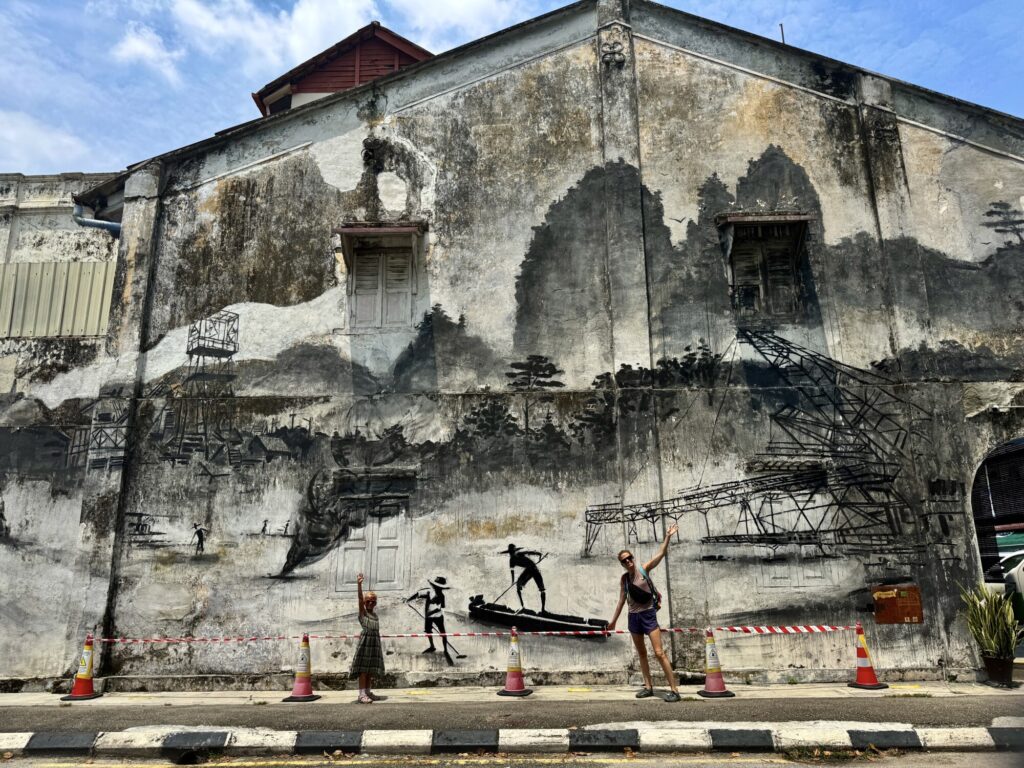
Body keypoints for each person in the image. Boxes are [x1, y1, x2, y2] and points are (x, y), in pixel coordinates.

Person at [608, 523, 681, 702]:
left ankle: (674, 690)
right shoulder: (624, 579)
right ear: (622, 564)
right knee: (641, 654)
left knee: (659, 653)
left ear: (633, 557)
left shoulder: (643, 569)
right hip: (633, 618)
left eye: (629, 557)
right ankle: (648, 687)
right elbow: (621, 601)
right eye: (624, 560)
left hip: (648, 614)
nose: (627, 561)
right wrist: (613, 622)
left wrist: (668, 537)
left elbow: (661, 554)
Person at [406, 576, 466, 666]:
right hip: (429, 617)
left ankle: (445, 649)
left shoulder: (441, 596)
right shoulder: (429, 592)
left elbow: (440, 608)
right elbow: (418, 594)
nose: (436, 588)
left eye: (439, 587)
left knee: (443, 633)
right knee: (428, 630)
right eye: (435, 586)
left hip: (438, 616)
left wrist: (430, 613)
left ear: (441, 588)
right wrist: (408, 600)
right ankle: (432, 646)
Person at [351, 572, 385, 704]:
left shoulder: (375, 616)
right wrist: (359, 585)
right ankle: (361, 694)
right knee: (364, 670)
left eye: (373, 601)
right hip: (365, 644)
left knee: (370, 669)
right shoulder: (363, 614)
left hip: (374, 644)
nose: (371, 603)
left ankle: (368, 691)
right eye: (368, 601)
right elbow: (359, 599)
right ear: (365, 603)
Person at [502, 543, 546, 613]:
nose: (512, 553)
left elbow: (529, 552)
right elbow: (512, 571)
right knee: (518, 586)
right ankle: (523, 607)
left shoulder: (518, 554)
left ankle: (543, 610)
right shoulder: (511, 561)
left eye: (512, 552)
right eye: (511, 552)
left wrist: (538, 553)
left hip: (533, 569)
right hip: (530, 570)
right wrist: (512, 582)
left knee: (542, 589)